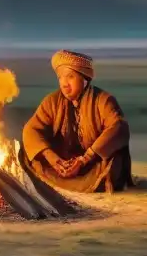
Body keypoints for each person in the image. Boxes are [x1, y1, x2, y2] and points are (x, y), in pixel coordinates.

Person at [20, 50, 134, 193]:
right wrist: (54, 160)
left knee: (113, 160)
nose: (64, 84)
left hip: (93, 165)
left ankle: (91, 182)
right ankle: (61, 176)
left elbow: (118, 127)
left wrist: (84, 159)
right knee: (27, 154)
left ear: (84, 79)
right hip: (63, 163)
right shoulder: (52, 101)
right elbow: (32, 129)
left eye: (70, 76)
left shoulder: (103, 100)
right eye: (60, 77)